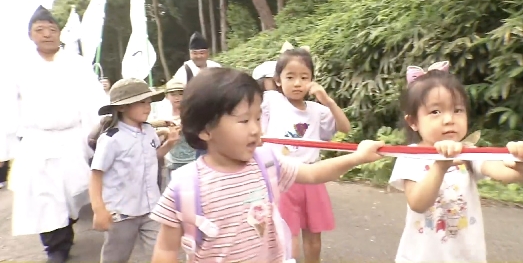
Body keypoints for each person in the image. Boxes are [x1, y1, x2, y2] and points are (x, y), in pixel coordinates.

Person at [149, 67, 383, 263]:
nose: (255, 128)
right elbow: (167, 250)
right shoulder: (184, 186)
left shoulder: (266, 163)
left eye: (258, 118)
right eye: (243, 120)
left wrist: (357, 157)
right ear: (205, 130)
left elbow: (311, 174)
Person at [0, 5, 108, 263]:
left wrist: (99, 136)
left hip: (73, 139)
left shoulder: (77, 64)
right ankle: (55, 247)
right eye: (40, 30)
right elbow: (2, 107)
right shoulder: (17, 67)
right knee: (44, 198)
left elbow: (93, 101)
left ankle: (66, 229)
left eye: (52, 29)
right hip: (37, 142)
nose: (47, 34)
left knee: (72, 195)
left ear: (60, 33)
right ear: (30, 35)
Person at [388, 61, 523, 263]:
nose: (449, 119)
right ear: (413, 122)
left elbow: (506, 173)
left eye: (457, 110)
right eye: (435, 112)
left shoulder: (469, 152)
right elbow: (418, 203)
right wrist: (440, 166)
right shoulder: (410, 156)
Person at [260, 47, 351, 263]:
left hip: (312, 177)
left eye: (304, 77)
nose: (298, 83)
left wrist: (327, 101)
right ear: (278, 80)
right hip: (281, 177)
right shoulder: (272, 100)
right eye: (290, 77)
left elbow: (345, 128)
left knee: (313, 235)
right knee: (287, 234)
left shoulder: (317, 110)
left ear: (312, 80)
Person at [89, 78, 181, 263]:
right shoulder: (110, 139)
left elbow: (152, 157)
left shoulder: (148, 131)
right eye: (141, 102)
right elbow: (96, 176)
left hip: (151, 208)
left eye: (148, 102)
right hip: (122, 213)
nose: (147, 107)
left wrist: (170, 143)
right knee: (115, 258)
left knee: (162, 252)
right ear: (122, 107)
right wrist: (99, 209)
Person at [153, 79, 204, 188]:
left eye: (181, 93)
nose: (177, 97)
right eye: (173, 94)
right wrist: (164, 131)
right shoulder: (161, 115)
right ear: (167, 96)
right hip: (172, 162)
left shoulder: (194, 113)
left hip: (194, 161)